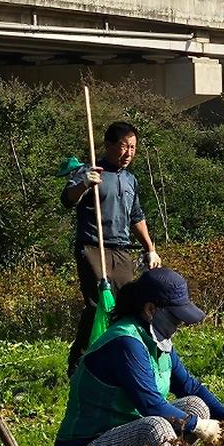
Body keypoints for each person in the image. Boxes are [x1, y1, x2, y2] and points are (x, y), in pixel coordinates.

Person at [54, 268, 224, 446]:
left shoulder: (156, 340)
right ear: (150, 309)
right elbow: (152, 407)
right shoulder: (126, 343)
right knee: (155, 426)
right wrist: (200, 426)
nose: (180, 325)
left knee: (196, 405)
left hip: (124, 438)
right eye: (176, 318)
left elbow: (190, 386)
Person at [62, 119, 161, 374]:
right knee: (97, 305)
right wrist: (85, 183)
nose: (128, 153)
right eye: (123, 146)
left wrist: (150, 247)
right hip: (93, 247)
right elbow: (67, 199)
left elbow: (136, 216)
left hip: (121, 249)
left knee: (127, 305)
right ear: (107, 145)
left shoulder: (130, 180)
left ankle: (121, 358)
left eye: (133, 148)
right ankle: (79, 363)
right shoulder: (89, 171)